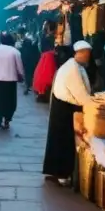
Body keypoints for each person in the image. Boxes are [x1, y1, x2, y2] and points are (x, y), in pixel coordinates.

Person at [43, 41, 93, 186]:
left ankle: (55, 171)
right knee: (63, 140)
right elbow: (80, 92)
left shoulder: (75, 66)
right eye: (86, 54)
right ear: (79, 53)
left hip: (63, 106)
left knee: (58, 140)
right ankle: (62, 174)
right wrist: (91, 104)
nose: (88, 57)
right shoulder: (72, 68)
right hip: (64, 108)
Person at [0, 32, 23, 129]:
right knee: (10, 100)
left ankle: (0, 118)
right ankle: (8, 118)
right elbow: (19, 67)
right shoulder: (15, 52)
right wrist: (21, 75)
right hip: (11, 79)